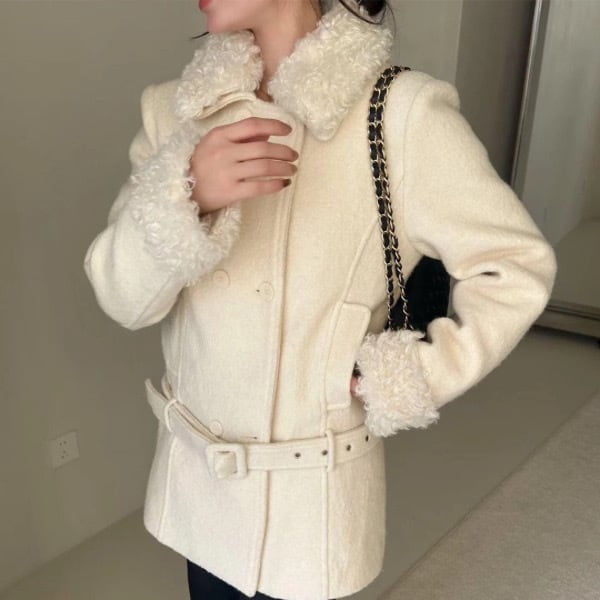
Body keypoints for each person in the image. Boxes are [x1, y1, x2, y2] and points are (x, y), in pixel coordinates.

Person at [83, 0, 558, 598]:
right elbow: (121, 298)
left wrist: (413, 375)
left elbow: (514, 266)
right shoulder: (174, 112)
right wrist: (186, 194)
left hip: (309, 510)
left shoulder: (402, 115)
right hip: (199, 496)